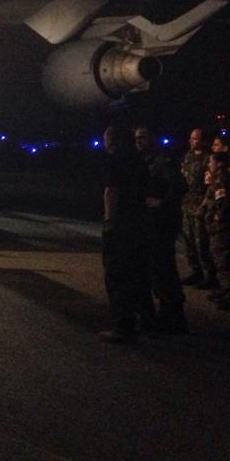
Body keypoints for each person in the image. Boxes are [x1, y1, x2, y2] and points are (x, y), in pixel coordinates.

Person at [98, 125, 153, 343]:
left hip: (121, 225)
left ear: (111, 140)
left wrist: (109, 220)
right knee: (137, 274)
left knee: (117, 274)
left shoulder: (115, 159)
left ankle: (122, 326)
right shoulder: (138, 159)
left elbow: (112, 190)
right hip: (138, 222)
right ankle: (144, 321)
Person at [134, 126, 188, 333]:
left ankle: (174, 316)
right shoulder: (143, 160)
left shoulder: (161, 161)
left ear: (151, 139)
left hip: (161, 223)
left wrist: (162, 203)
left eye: (143, 138)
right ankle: (168, 314)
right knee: (156, 270)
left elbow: (179, 186)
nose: (139, 141)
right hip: (150, 222)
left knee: (163, 269)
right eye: (137, 138)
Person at [180, 128, 216, 288]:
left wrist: (205, 204)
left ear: (203, 141)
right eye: (191, 138)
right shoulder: (188, 156)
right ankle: (196, 271)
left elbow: (211, 184)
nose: (192, 141)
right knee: (189, 241)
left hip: (200, 205)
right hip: (187, 204)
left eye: (195, 138)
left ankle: (210, 275)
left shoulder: (208, 159)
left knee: (201, 242)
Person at [201, 151, 229, 309]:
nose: (209, 165)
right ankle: (225, 290)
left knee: (223, 260)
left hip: (221, 226)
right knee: (219, 258)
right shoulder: (217, 177)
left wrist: (219, 216)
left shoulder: (221, 178)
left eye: (211, 162)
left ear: (218, 163)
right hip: (217, 224)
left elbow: (223, 200)